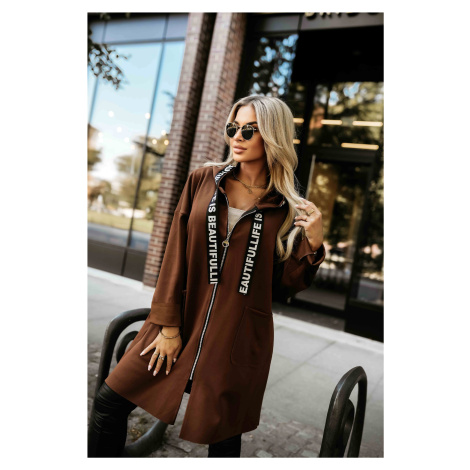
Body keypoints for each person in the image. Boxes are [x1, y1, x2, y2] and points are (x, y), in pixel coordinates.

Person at [88, 95, 326, 457]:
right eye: (233, 128)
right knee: (109, 402)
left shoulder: (285, 206)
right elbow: (174, 254)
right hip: (178, 323)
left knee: (224, 438)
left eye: (250, 130)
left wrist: (313, 245)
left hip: (236, 338)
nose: (237, 137)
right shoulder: (204, 180)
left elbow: (282, 286)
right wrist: (168, 327)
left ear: (272, 135)